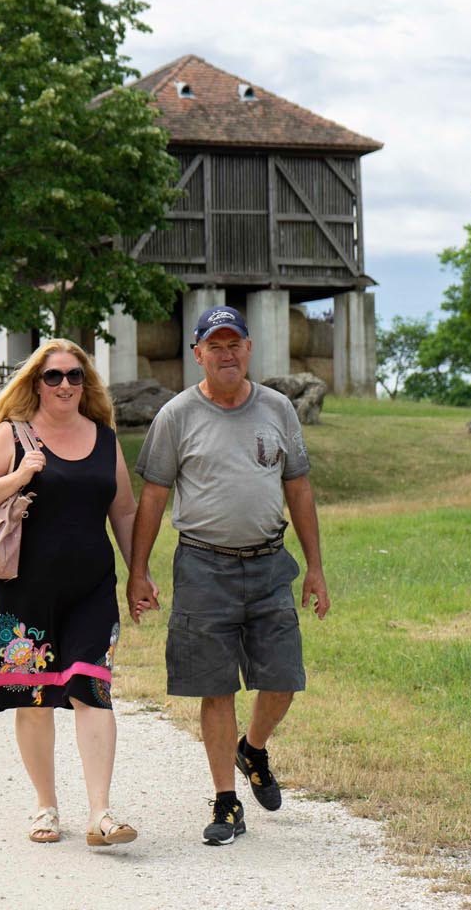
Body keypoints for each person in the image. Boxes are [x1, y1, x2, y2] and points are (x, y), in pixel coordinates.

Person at [127, 305, 330, 846]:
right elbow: (153, 497)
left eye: (234, 343)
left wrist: (315, 568)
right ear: (197, 354)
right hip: (203, 567)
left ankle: (253, 749)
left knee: (283, 679)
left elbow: (298, 487)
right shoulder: (175, 415)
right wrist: (138, 571)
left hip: (269, 563)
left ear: (249, 348)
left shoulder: (278, 408)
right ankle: (226, 801)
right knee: (214, 686)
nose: (226, 354)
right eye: (214, 346)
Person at [0, 339, 140, 847]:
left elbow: (123, 510)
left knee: (92, 687)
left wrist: (138, 573)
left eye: (74, 376)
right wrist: (19, 475)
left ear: (86, 383)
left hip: (92, 587)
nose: (64, 385)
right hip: (25, 589)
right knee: (33, 695)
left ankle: (101, 814)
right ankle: (45, 806)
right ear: (37, 383)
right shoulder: (13, 435)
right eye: (53, 376)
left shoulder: (105, 439)